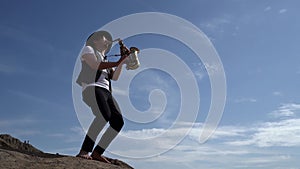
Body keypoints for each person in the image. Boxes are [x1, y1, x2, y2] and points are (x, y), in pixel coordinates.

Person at [76, 30, 127, 163]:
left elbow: (114, 77)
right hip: (92, 88)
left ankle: (97, 152)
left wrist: (122, 61)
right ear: (95, 40)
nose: (107, 41)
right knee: (103, 115)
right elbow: (94, 65)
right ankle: (84, 151)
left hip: (106, 91)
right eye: (104, 39)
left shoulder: (106, 59)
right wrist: (117, 62)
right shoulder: (88, 49)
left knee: (118, 122)